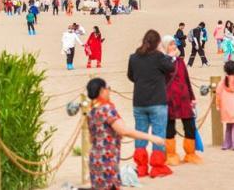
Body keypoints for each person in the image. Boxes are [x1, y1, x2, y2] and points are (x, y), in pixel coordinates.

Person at [86, 78, 165, 190]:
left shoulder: (91, 111)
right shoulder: (107, 109)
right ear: (102, 90)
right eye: (108, 88)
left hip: (95, 159)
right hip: (107, 160)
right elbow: (124, 131)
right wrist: (151, 137)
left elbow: (91, 138)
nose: (109, 91)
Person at [127, 29, 175, 178]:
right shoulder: (158, 57)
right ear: (157, 43)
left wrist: (143, 81)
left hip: (140, 101)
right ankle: (157, 166)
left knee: (140, 134)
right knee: (158, 133)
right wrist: (167, 55)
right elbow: (171, 68)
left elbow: (131, 76)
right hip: (157, 101)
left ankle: (141, 167)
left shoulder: (134, 57)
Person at [161, 36, 202, 166]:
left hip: (184, 97)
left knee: (189, 125)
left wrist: (192, 97)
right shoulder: (162, 62)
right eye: (170, 45)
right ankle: (171, 154)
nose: (173, 47)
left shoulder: (180, 61)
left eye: (174, 44)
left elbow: (186, 79)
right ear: (165, 47)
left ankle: (190, 153)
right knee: (169, 127)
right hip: (169, 98)